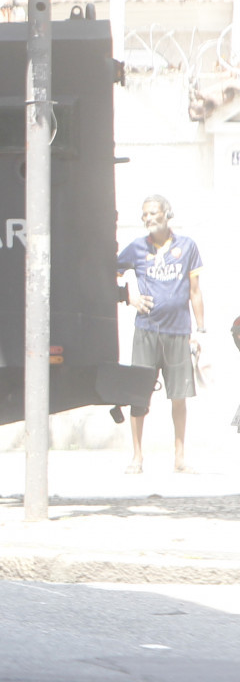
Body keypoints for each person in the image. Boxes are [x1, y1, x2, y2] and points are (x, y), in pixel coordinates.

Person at [117, 194, 205, 473]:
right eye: (144, 215)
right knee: (138, 395)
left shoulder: (187, 246)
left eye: (153, 212)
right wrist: (128, 297)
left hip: (179, 332)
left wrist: (200, 331)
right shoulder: (136, 249)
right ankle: (137, 457)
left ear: (167, 214)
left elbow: (195, 291)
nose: (148, 218)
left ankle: (179, 457)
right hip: (146, 331)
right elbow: (107, 272)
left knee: (179, 396)